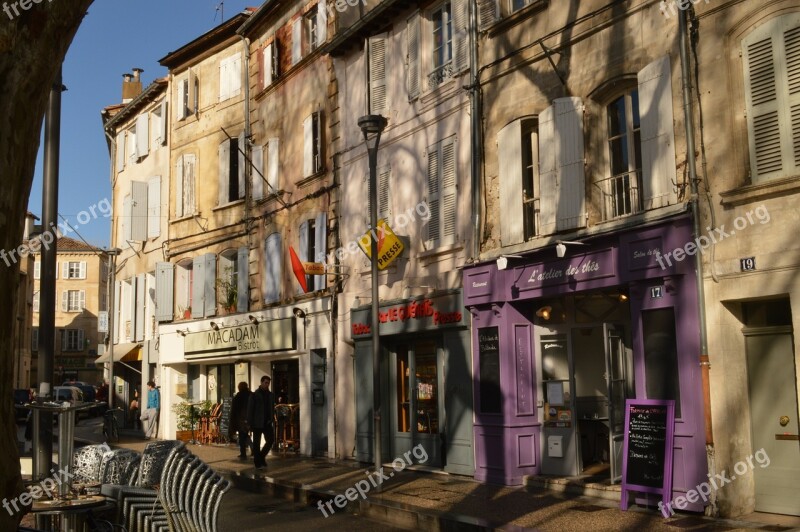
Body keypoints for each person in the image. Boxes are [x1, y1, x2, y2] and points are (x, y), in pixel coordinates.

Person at [246, 375, 274, 470]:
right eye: (265, 383)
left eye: (268, 383)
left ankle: (261, 457)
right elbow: (250, 410)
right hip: (257, 422)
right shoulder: (254, 395)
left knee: (270, 440)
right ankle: (257, 462)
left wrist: (271, 418)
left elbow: (271, 408)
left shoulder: (270, 395)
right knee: (257, 443)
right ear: (261, 382)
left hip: (267, 422)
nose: (267, 385)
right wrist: (249, 423)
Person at [231, 382, 254, 459]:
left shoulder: (238, 396)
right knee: (245, 435)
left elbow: (234, 409)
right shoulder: (251, 395)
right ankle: (252, 449)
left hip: (241, 419)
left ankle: (243, 453)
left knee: (242, 436)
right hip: (250, 418)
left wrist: (233, 421)